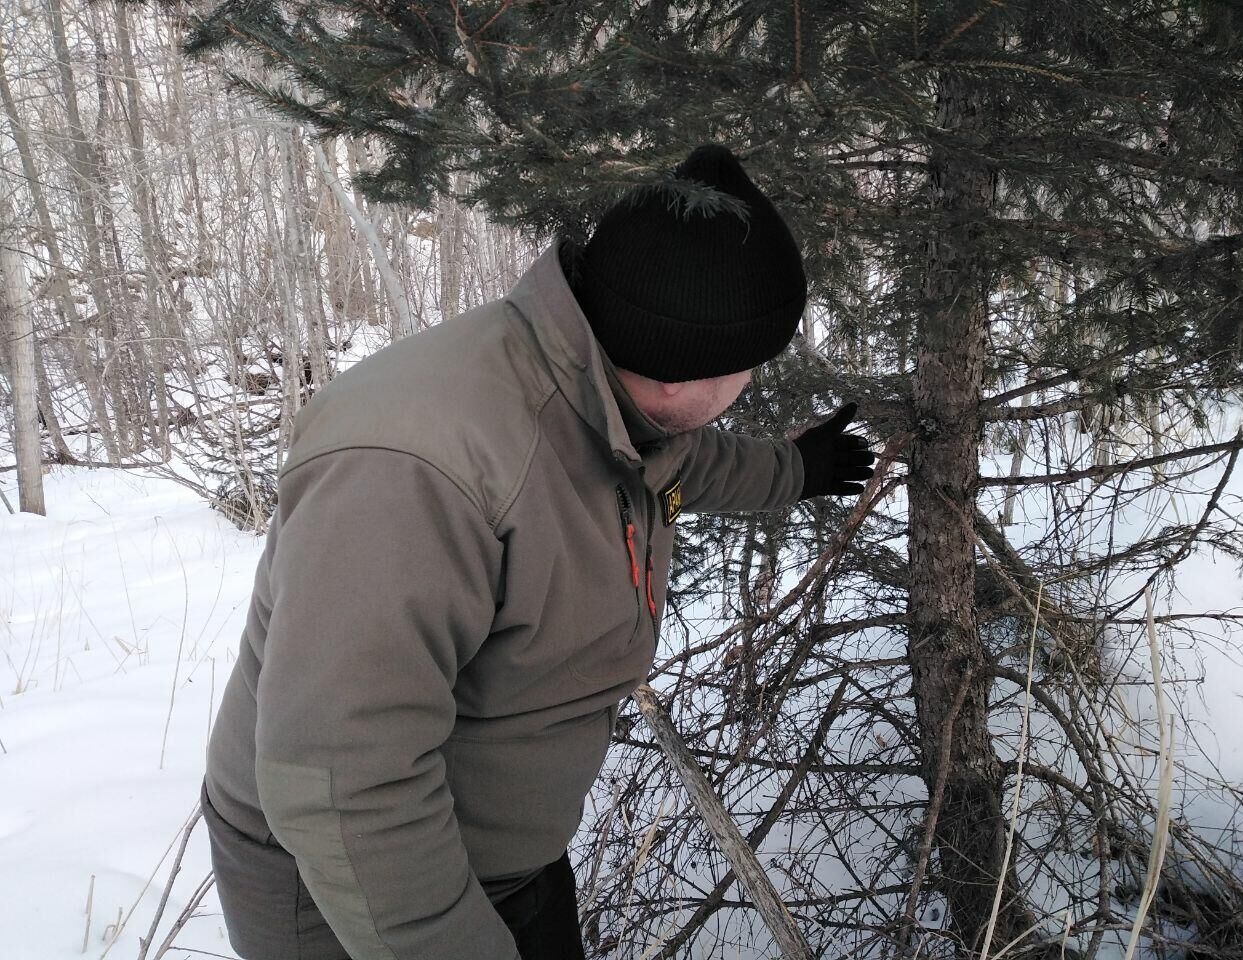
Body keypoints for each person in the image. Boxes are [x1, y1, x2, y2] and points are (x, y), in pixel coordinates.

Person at [199, 143, 876, 960]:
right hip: (355, 895)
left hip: (501, 858)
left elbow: (682, 462)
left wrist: (796, 469)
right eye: (749, 368)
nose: (754, 385)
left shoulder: (604, 391)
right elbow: (343, 781)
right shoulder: (416, 471)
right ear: (679, 375)